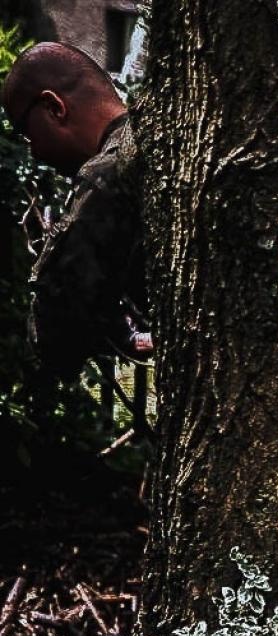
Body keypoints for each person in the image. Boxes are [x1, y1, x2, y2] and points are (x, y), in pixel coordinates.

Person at [3, 42, 147, 386]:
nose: (35, 152)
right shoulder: (158, 138)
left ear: (54, 107)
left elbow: (58, 334)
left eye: (27, 133)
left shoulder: (109, 173)